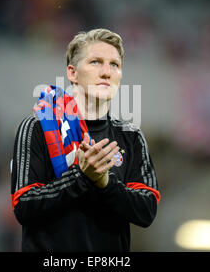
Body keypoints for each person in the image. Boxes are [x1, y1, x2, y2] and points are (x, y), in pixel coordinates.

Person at [10, 28, 160, 251]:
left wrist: (105, 183)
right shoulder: (38, 127)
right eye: (96, 62)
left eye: (114, 65)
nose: (106, 72)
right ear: (72, 73)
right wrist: (81, 176)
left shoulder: (131, 136)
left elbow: (146, 210)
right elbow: (23, 205)